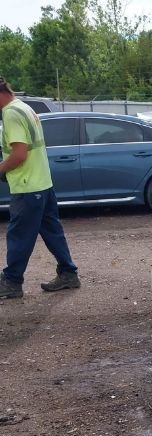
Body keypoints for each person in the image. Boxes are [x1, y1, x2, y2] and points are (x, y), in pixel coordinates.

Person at [0, 78, 79, 300]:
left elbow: (19, 154)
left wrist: (1, 169)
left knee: (19, 234)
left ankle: (12, 281)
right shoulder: (25, 107)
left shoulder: (11, 114)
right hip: (42, 183)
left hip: (27, 186)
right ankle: (68, 273)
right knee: (53, 231)